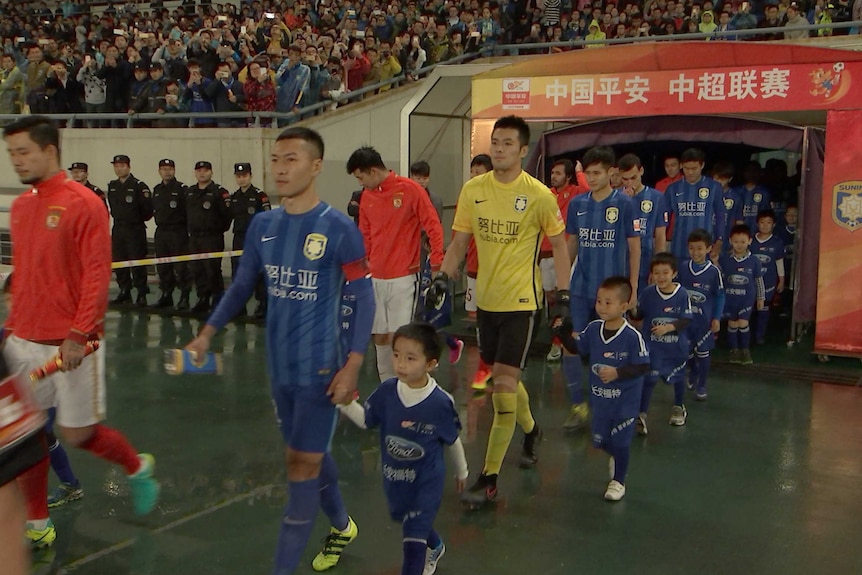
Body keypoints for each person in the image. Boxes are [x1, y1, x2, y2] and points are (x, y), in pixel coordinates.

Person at [185, 127, 373, 575]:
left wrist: (353, 365)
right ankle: (344, 525)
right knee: (306, 453)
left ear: (315, 165)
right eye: (276, 159)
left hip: (321, 369)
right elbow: (243, 282)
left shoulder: (340, 228)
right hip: (279, 369)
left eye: (291, 159)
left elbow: (362, 296)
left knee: (301, 468)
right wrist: (207, 331)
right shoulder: (263, 225)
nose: (281, 168)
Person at [3, 116, 159, 549]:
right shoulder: (20, 207)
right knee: (26, 439)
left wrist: (78, 334)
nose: (15, 161)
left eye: (23, 152)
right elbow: (26, 277)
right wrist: (10, 332)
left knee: (79, 435)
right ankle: (38, 524)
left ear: (49, 150)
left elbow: (96, 273)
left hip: (72, 345)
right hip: (22, 343)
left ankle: (137, 467)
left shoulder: (84, 203)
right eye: (11, 153)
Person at [427, 115, 569, 509]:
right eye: (496, 141)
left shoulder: (539, 195)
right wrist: (443, 276)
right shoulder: (474, 190)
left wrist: (565, 293)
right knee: (504, 384)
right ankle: (532, 429)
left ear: (524, 150)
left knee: (502, 389)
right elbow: (458, 243)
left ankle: (488, 479)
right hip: (485, 303)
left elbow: (558, 245)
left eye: (508, 143)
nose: (499, 148)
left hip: (522, 305)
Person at [361, 323, 468, 575]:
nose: (400, 364)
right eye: (396, 354)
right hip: (396, 478)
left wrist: (462, 471)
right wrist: (342, 403)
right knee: (407, 519)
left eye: (411, 358)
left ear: (430, 364)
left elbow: (452, 439)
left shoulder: (441, 403)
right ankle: (435, 544)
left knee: (412, 540)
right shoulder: (387, 391)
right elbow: (366, 420)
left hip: (426, 482)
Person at [347, 146, 444, 383]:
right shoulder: (367, 196)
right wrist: (361, 270)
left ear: (372, 171)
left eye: (361, 177)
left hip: (403, 278)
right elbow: (365, 235)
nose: (360, 183)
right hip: (375, 277)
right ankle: (387, 387)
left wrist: (437, 265)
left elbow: (433, 225)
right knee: (379, 337)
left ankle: (408, 389)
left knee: (400, 339)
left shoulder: (410, 189)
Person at [562, 146, 641, 432]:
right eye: (589, 173)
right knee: (571, 345)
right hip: (581, 289)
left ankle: (614, 408)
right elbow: (570, 243)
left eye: (598, 173)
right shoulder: (578, 204)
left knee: (611, 352)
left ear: (612, 173)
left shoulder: (625, 204)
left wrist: (632, 287)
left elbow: (634, 247)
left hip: (612, 293)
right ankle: (577, 405)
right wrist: (563, 285)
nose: (592, 178)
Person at [558, 277, 649, 501]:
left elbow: (643, 366)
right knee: (601, 442)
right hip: (600, 401)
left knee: (621, 442)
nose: (601, 307)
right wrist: (562, 331)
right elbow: (578, 348)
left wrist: (618, 373)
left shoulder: (632, 337)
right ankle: (616, 457)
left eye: (608, 302)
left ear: (624, 306)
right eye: (599, 301)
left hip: (625, 402)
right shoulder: (593, 329)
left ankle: (618, 480)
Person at [634, 252, 693, 431]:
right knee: (649, 379)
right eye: (657, 273)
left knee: (677, 378)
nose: (661, 277)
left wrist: (668, 328)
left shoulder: (682, 294)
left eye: (665, 272)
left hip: (675, 348)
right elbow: (639, 315)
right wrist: (630, 309)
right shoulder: (647, 293)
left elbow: (686, 319)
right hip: (652, 347)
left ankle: (678, 406)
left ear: (674, 273)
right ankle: (641, 414)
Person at [542, 158, 588, 362]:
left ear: (568, 176)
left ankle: (561, 344)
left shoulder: (576, 193)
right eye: (553, 172)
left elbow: (589, 190)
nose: (554, 176)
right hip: (543, 254)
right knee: (550, 298)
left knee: (565, 299)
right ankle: (555, 338)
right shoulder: (546, 194)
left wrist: (580, 172)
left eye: (559, 173)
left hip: (565, 255)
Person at [677, 229, 724, 402]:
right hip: (685, 321)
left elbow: (720, 296)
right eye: (692, 248)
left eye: (699, 248)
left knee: (703, 353)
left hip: (704, 323)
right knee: (686, 353)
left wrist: (717, 318)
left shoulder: (714, 271)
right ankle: (693, 371)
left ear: (708, 249)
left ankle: (702, 384)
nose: (695, 252)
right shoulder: (682, 268)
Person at [186, 160, 232, 315]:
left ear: (211, 172)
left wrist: (216, 230)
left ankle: (218, 300)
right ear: (195, 172)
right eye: (199, 170)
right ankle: (202, 299)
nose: (202, 173)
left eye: (205, 170)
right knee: (197, 270)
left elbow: (226, 217)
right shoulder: (191, 192)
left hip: (212, 237)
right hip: (195, 238)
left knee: (212, 270)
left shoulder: (219, 192)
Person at [107, 154, 153, 306]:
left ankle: (141, 292)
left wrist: (135, 221)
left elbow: (147, 210)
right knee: (119, 262)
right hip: (119, 229)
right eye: (116, 166)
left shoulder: (139, 186)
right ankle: (124, 291)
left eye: (122, 166)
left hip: (135, 229)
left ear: (128, 167)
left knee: (137, 262)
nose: (119, 169)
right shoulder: (112, 186)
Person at [464, 154, 494, 390]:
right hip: (474, 266)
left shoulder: (499, 198)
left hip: (496, 271)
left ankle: (490, 363)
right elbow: (459, 235)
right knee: (476, 317)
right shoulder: (468, 195)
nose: (475, 175)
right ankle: (484, 363)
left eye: (479, 171)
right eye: (472, 171)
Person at [618, 153, 668, 294]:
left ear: (641, 171)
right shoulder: (615, 198)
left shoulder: (656, 197)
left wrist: (658, 268)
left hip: (645, 261)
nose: (629, 183)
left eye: (633, 178)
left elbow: (660, 236)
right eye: (625, 179)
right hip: (619, 262)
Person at [666, 148, 726, 262]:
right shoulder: (672, 189)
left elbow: (720, 215)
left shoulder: (714, 187)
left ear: (702, 165)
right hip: (679, 247)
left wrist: (719, 241)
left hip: (705, 249)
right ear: (681, 166)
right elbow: (664, 219)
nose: (690, 172)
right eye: (686, 168)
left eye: (694, 168)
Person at [230, 162, 271, 319]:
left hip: (255, 239)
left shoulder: (260, 196)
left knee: (258, 273)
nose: (242, 179)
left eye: (244, 176)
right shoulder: (234, 198)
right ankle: (240, 305)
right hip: (239, 238)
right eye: (239, 176)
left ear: (250, 176)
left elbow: (267, 220)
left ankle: (262, 304)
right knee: (238, 272)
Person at [720, 224, 765, 365]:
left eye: (743, 242)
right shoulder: (725, 259)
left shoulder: (754, 261)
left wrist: (761, 297)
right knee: (732, 324)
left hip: (746, 298)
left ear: (749, 241)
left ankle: (745, 350)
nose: (739, 245)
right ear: (730, 241)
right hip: (730, 298)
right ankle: (734, 350)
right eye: (736, 242)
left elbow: (759, 280)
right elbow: (719, 277)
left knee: (743, 323)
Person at [151, 158, 193, 310]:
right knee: (163, 267)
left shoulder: (182, 189)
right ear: (159, 171)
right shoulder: (157, 190)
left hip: (178, 232)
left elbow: (189, 212)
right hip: (161, 232)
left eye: (169, 169)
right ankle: (166, 295)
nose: (166, 171)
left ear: (174, 170)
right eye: (163, 169)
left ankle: (184, 297)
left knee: (181, 267)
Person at [751, 209, 785, 345]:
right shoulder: (750, 241)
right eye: (762, 222)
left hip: (768, 282)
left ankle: (760, 336)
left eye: (768, 222)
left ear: (774, 224)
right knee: (749, 310)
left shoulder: (777, 242)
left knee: (764, 310)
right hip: (750, 283)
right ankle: (747, 335)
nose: (765, 225)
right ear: (757, 223)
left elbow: (779, 262)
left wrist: (781, 280)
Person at [711, 161, 743, 249]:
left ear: (730, 179)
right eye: (716, 178)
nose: (719, 182)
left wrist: (737, 242)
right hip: (706, 240)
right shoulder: (706, 194)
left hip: (726, 242)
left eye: (723, 179)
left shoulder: (735, 197)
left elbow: (739, 221)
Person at [734, 161, 771, 235]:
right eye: (749, 170)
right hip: (738, 235)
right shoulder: (736, 191)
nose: (751, 173)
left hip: (758, 233)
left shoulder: (764, 192)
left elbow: (767, 214)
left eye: (754, 171)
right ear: (743, 172)